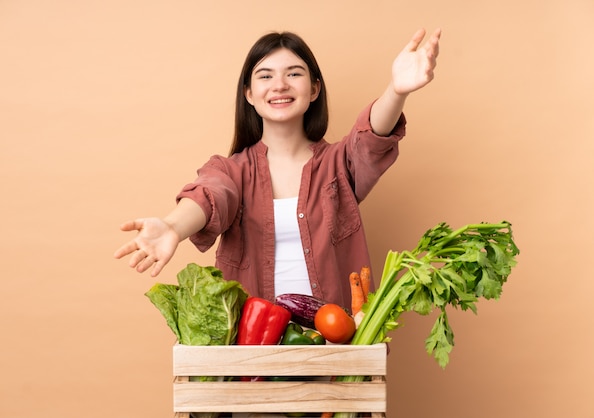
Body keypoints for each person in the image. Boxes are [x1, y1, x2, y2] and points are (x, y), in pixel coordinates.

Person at [114, 28, 441, 310]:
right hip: (254, 348)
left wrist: (396, 91)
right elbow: (211, 195)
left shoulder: (338, 165)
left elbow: (369, 139)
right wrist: (173, 227)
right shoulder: (232, 171)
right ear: (249, 94)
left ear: (314, 89)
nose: (280, 85)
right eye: (265, 76)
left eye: (294, 73)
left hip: (336, 345)